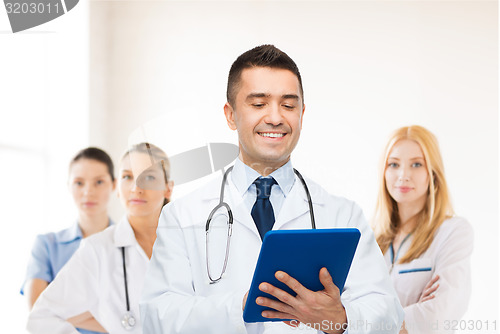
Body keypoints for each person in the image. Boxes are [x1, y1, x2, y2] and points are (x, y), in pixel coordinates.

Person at [140, 45, 403, 333]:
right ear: (230, 115)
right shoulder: (182, 216)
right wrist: (240, 307)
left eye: (288, 105)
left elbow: (388, 313)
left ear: (302, 113)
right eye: (258, 104)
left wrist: (340, 318)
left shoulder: (343, 215)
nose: (276, 117)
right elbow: (157, 316)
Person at [27, 143, 173, 334]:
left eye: (149, 177)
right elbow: (41, 315)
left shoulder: (190, 243)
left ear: (168, 189)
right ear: (118, 187)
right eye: (128, 176)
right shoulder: (96, 249)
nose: (136, 187)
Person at [372, 125, 473, 333]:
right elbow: (340, 313)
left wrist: (366, 322)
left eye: (417, 164)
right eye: (393, 164)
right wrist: (413, 314)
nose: (403, 175)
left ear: (433, 173)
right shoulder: (368, 240)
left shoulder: (453, 232)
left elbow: (438, 315)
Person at [21, 147, 116, 334]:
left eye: (99, 182)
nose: (88, 192)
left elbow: (140, 318)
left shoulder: (129, 244)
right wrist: (114, 320)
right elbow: (37, 311)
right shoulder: (47, 246)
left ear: (114, 185)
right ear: (68, 186)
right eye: (79, 183)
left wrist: (61, 313)